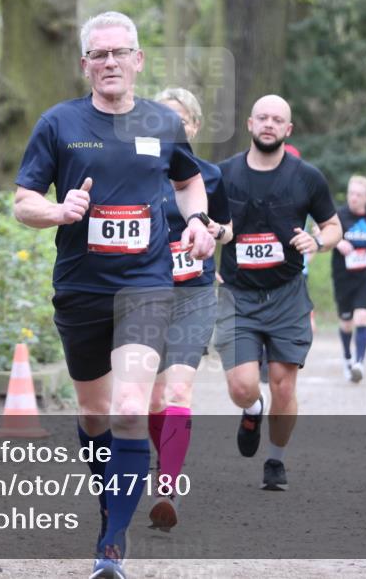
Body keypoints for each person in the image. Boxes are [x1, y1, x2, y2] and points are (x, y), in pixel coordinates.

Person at [13, 11, 215, 579]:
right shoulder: (58, 124)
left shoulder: (161, 122)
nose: (109, 63)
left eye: (119, 53)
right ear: (85, 64)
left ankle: (113, 544)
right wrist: (58, 210)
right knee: (95, 413)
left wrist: (197, 219)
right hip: (80, 288)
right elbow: (24, 199)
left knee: (131, 408)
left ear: (137, 60)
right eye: (98, 55)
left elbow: (188, 179)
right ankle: (110, 507)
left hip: (145, 286)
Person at [214, 95, 341, 491]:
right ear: (250, 124)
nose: (269, 124)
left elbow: (334, 226)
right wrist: (212, 238)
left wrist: (318, 241)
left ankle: (275, 460)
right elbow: (202, 220)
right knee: (242, 386)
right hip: (237, 295)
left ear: (288, 130)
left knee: (284, 383)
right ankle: (252, 410)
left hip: (286, 295)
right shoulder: (223, 175)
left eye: (278, 120)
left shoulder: (307, 177)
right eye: (263, 118)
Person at [146, 87, 231, 532]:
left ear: (194, 127)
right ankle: (165, 457)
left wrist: (215, 231)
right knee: (152, 397)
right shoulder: (137, 173)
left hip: (193, 295)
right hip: (143, 294)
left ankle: (167, 487)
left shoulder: (211, 177)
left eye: (179, 121)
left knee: (178, 391)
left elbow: (229, 230)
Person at [330, 175, 366, 383]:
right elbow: (320, 230)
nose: (353, 198)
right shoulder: (338, 215)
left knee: (362, 318)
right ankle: (347, 358)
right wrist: (338, 243)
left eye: (358, 195)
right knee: (346, 323)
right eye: (351, 193)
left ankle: (359, 363)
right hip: (343, 276)